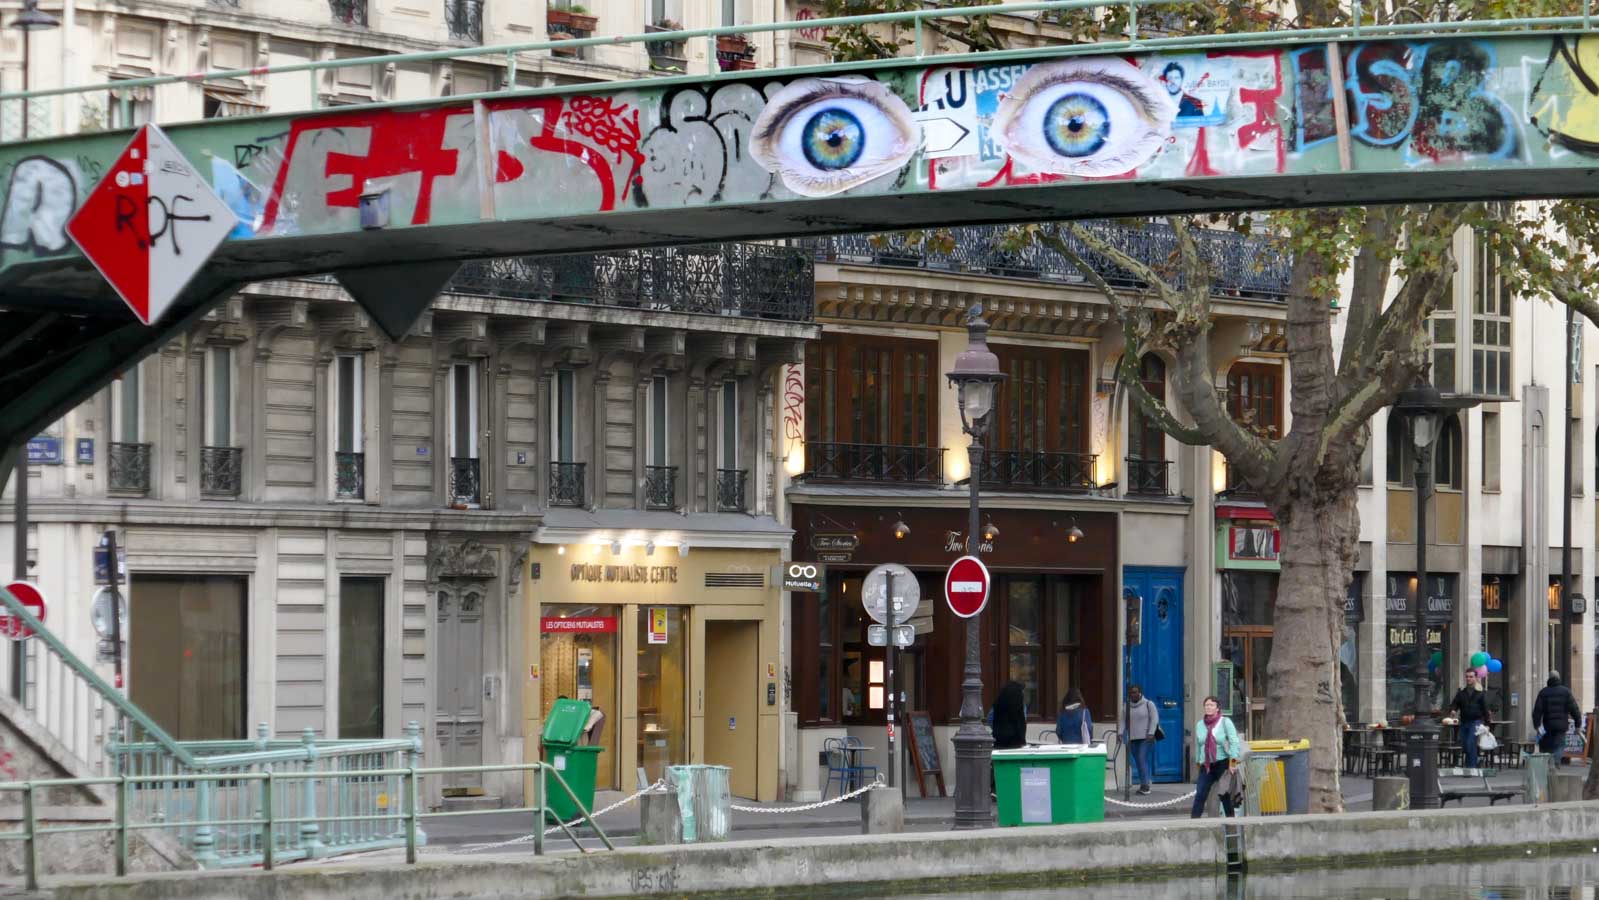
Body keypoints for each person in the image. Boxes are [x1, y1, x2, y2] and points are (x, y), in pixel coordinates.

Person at [1191, 696, 1243, 819]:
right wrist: (1198, 762)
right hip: (1206, 765)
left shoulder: (1225, 722)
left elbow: (1234, 742)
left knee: (1225, 795)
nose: (1208, 707)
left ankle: (1231, 823)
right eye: (1206, 705)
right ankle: (1193, 823)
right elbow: (1199, 744)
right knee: (1200, 795)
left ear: (1217, 708)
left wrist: (1233, 763)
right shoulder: (1200, 724)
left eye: (1211, 705)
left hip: (1223, 763)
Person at [1533, 671, 1581, 764]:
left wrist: (1537, 726)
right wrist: (1578, 725)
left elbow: (1537, 711)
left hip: (1548, 725)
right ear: (1559, 678)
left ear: (1549, 679)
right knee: (1560, 745)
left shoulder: (1543, 692)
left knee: (1547, 745)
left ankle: (1549, 763)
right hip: (1561, 726)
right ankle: (1556, 762)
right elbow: (1574, 709)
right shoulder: (1566, 692)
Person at [1448, 668, 1491, 769]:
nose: (1468, 679)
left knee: (1470, 743)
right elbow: (1455, 703)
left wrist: (1487, 724)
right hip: (1464, 722)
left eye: (1471, 677)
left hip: (1476, 722)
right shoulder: (1461, 692)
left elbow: (1485, 708)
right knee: (1465, 745)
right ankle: (1473, 763)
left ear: (1476, 678)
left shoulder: (1480, 692)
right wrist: (1453, 709)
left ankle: (1471, 767)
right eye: (1467, 677)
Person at [1124, 684, 1160, 795]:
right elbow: (1123, 720)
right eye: (1131, 692)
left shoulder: (1149, 704)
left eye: (1135, 692)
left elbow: (1154, 719)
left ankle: (1145, 786)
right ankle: (1143, 782)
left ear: (1140, 693)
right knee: (1139, 761)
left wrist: (1151, 732)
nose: (1133, 694)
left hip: (1146, 738)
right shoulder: (1126, 706)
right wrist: (1120, 733)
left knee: (1141, 758)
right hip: (1133, 738)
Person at [990, 681, 1027, 750]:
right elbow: (1021, 721)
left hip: (998, 741)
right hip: (1015, 743)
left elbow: (990, 718)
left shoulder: (999, 701)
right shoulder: (1019, 703)